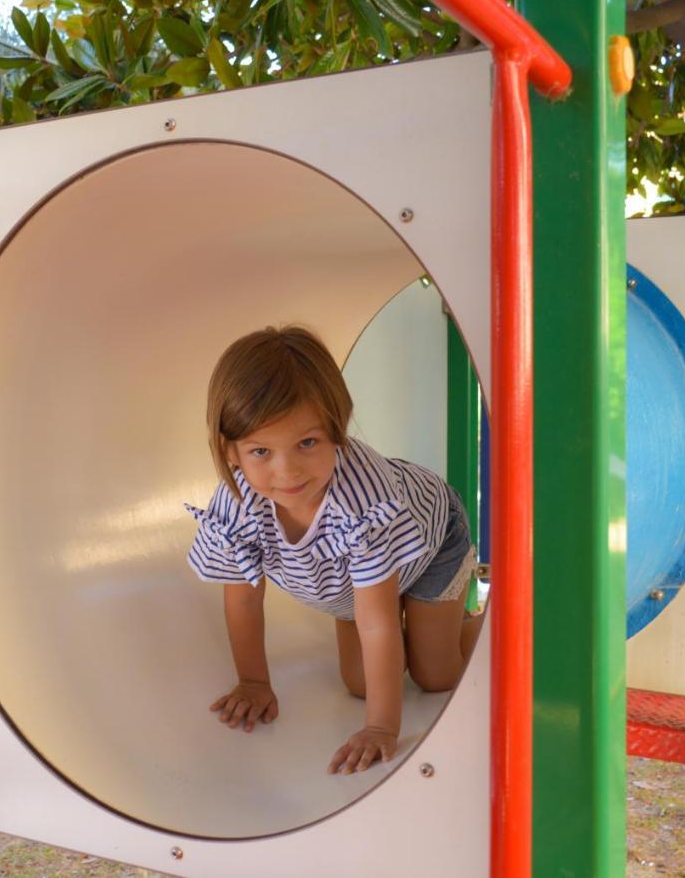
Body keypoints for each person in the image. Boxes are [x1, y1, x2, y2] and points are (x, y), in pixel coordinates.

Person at [186, 326, 484, 774]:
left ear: (337, 431)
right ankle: (410, 612)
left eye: (307, 443)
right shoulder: (236, 500)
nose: (287, 472)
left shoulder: (361, 502)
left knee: (434, 674)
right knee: (361, 684)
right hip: (352, 581)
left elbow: (377, 621)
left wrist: (382, 728)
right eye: (261, 451)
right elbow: (244, 596)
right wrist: (253, 682)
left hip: (430, 543)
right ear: (231, 452)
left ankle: (506, 626)